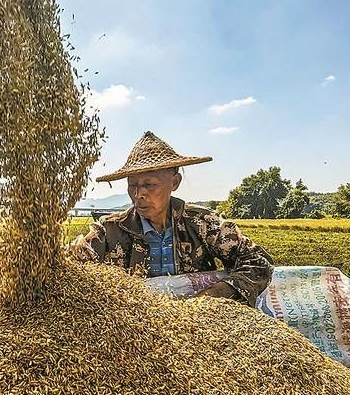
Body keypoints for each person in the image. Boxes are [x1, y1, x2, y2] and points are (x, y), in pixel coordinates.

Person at [70, 131, 273, 306]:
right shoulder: (110, 231)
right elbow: (69, 266)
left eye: (149, 185)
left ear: (174, 182)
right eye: (133, 185)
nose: (138, 194)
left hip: (199, 325)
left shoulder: (202, 223)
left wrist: (214, 296)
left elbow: (259, 261)